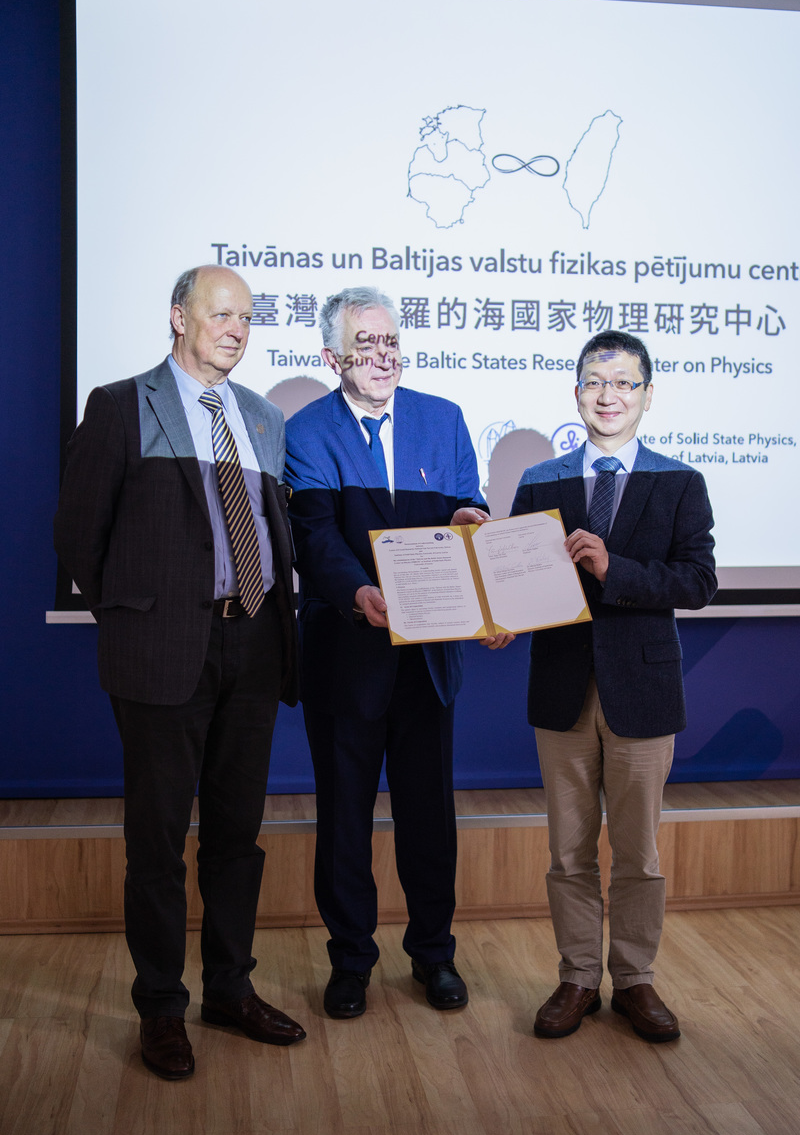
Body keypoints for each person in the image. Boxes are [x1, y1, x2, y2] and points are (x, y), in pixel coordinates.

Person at [54, 265, 306, 1079]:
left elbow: (272, 531)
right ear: (178, 317)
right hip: (162, 655)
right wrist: (140, 615)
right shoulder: (121, 405)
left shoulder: (264, 418)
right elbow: (78, 536)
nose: (235, 329)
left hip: (255, 648)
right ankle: (161, 1007)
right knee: (157, 843)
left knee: (237, 838)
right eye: (220, 313)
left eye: (246, 317)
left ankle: (229, 990)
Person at [284, 287, 512, 1019]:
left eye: (390, 343)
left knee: (428, 817)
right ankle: (351, 961)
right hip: (346, 653)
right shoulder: (306, 431)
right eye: (365, 346)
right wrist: (359, 594)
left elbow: (463, 511)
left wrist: (472, 521)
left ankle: (433, 956)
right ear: (331, 358)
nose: (382, 358)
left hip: (429, 657)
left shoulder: (442, 420)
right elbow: (313, 537)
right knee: (344, 818)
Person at [511, 330, 716, 1043]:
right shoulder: (541, 481)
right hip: (561, 688)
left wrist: (613, 568)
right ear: (576, 393)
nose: (609, 395)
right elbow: (516, 577)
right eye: (595, 382)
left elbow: (697, 581)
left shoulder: (680, 482)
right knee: (568, 852)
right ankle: (576, 979)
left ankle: (634, 981)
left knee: (639, 854)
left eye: (625, 383)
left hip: (643, 691)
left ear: (647, 395)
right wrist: (491, 601)